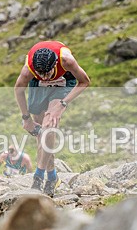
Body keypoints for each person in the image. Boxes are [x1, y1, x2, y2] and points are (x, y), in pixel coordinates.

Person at [14, 40, 91, 196]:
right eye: (40, 74)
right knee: (41, 133)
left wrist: (62, 104)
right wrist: (26, 118)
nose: (45, 77)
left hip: (63, 82)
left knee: (49, 125)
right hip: (37, 85)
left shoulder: (66, 60)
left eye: (47, 73)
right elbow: (18, 90)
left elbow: (84, 82)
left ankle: (39, 176)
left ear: (55, 64)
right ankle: (52, 175)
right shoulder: (29, 70)